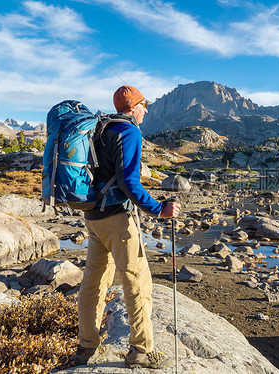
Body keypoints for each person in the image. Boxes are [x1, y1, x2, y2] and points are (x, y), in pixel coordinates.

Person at [74, 85, 180, 369]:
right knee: (136, 281)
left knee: (94, 282)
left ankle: (86, 347)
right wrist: (160, 210)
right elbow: (129, 183)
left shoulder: (101, 128)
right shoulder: (129, 131)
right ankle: (141, 351)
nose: (146, 110)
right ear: (133, 107)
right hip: (118, 220)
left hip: (94, 217)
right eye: (144, 105)